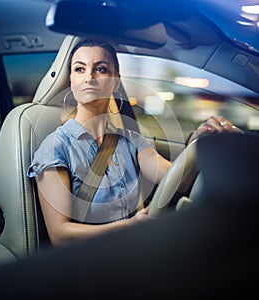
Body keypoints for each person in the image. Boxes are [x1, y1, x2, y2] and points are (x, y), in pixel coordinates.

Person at [27, 39, 240, 246]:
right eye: (80, 69)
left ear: (116, 80)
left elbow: (176, 179)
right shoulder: (55, 146)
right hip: (89, 263)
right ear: (71, 79)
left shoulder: (131, 140)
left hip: (137, 248)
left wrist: (198, 141)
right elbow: (60, 235)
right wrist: (129, 226)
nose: (89, 77)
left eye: (100, 69)